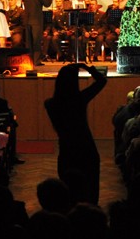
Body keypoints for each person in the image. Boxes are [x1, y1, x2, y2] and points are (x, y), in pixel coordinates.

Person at [44, 62, 108, 204]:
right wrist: (88, 68)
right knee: (90, 187)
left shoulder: (49, 104)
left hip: (66, 149)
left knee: (69, 188)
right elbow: (102, 81)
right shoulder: (80, 99)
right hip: (86, 147)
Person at [22, 0, 54, 66]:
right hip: (36, 21)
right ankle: (36, 61)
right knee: (36, 41)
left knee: (28, 42)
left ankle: (29, 61)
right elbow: (47, 4)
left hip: (27, 20)